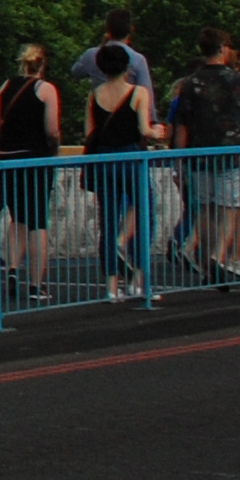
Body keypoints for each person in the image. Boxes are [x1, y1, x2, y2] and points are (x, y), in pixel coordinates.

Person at [167, 28, 240, 282]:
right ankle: (219, 255)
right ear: (222, 48)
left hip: (199, 154)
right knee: (229, 207)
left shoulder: (190, 84)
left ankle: (207, 258)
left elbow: (182, 126)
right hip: (232, 154)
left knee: (205, 208)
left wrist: (179, 160)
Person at [80, 42, 160, 301]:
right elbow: (144, 130)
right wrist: (157, 133)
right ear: (127, 67)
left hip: (104, 159)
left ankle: (112, 287)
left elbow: (89, 133)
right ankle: (139, 281)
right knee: (144, 213)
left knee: (108, 221)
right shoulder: (138, 93)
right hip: (131, 157)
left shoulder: (94, 95)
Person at [0, 45, 64, 298]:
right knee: (37, 222)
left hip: (7, 159)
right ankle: (36, 284)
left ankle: (12, 268)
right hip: (35, 159)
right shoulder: (46, 89)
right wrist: (55, 146)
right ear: (42, 65)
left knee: (18, 218)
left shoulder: (4, 88)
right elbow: (51, 130)